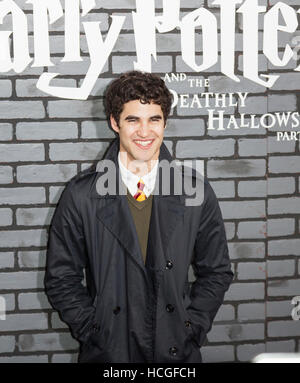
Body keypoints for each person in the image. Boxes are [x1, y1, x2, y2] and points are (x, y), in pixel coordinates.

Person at [44, 70, 234, 363]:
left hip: (175, 353)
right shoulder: (81, 195)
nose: (144, 132)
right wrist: (94, 330)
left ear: (165, 123)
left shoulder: (195, 191)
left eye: (153, 119)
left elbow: (217, 271)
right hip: (110, 353)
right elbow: (61, 278)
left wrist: (191, 327)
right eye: (133, 119)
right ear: (114, 123)